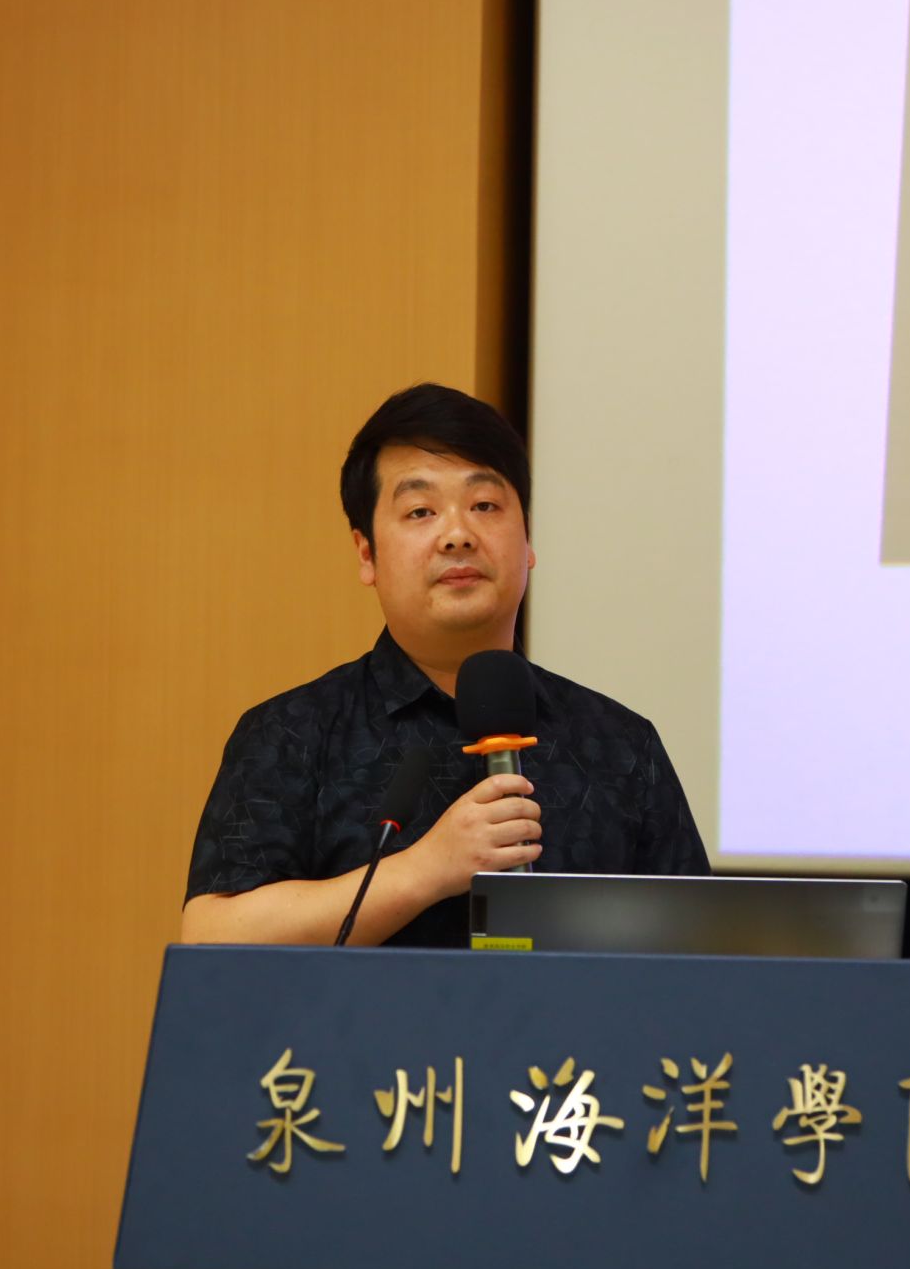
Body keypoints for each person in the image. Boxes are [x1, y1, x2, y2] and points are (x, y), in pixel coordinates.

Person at [181, 383, 708, 946]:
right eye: (421, 511)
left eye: (484, 506)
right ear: (367, 553)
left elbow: (702, 946)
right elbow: (213, 936)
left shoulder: (621, 745)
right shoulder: (292, 733)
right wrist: (425, 870)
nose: (457, 535)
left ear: (528, 539)